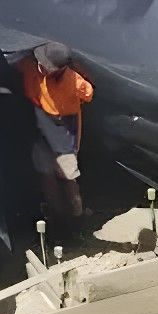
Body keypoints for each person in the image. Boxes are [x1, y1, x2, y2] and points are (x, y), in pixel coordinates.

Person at [16, 42, 93, 223]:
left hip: (61, 132)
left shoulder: (73, 81)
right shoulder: (72, 79)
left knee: (67, 177)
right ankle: (59, 215)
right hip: (42, 128)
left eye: (45, 65)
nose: (41, 66)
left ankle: (75, 216)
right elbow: (88, 95)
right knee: (49, 175)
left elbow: (87, 93)